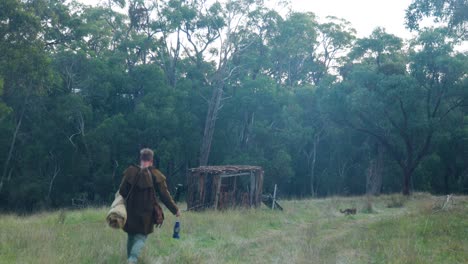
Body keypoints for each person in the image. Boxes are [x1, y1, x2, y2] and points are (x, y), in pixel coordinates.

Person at [119, 148, 180, 264]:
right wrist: (175, 209)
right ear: (151, 161)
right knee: (141, 237)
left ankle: (130, 259)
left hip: (130, 212)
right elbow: (165, 196)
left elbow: (122, 191)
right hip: (146, 215)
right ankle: (132, 259)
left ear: (140, 159)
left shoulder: (130, 172)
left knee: (131, 235)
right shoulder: (156, 174)